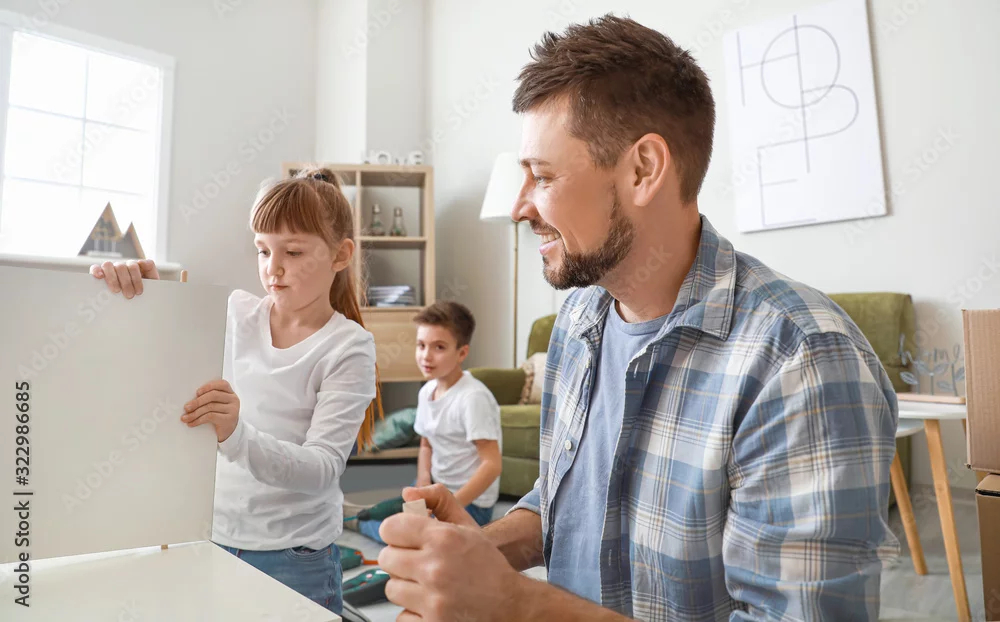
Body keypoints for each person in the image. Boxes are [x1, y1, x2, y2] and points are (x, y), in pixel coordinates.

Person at [375, 15, 899, 622]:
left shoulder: (802, 361)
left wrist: (514, 604)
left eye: (542, 176)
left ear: (644, 169)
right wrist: (475, 555)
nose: (520, 207)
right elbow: (573, 501)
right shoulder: (579, 317)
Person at [89, 167, 382, 615]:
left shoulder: (349, 347)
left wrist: (235, 434)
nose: (272, 268)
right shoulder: (235, 314)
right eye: (263, 250)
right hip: (212, 536)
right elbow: (161, 345)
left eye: (293, 252)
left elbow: (322, 469)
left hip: (294, 557)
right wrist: (141, 290)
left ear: (341, 255)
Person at [353, 301, 502, 543]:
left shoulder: (473, 398)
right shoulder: (426, 392)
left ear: (462, 353)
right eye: (421, 345)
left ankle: (359, 523)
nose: (426, 356)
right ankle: (361, 517)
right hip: (435, 486)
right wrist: (423, 480)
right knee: (396, 518)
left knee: (411, 537)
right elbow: (426, 444)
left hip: (470, 502)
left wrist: (451, 504)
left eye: (439, 347)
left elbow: (492, 464)